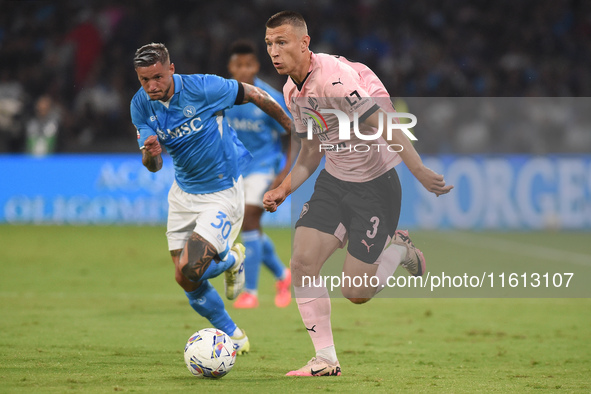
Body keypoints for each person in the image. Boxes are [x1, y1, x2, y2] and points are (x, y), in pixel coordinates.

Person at [262, 11, 453, 376]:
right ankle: (326, 359)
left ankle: (398, 249)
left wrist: (419, 171)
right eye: (270, 43)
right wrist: (284, 188)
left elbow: (385, 125)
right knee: (302, 263)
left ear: (305, 43)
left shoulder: (333, 81)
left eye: (282, 42)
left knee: (356, 293)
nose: (274, 50)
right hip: (334, 182)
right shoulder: (292, 90)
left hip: (375, 187)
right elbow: (311, 151)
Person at [130, 42, 292, 355]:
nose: (152, 86)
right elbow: (154, 167)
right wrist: (150, 155)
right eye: (144, 80)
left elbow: (255, 93)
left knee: (191, 269)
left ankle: (233, 259)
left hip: (221, 192)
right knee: (184, 279)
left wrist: (292, 126)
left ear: (171, 69)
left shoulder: (204, 88)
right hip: (183, 195)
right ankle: (234, 333)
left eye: (158, 77)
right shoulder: (140, 105)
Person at [224, 40, 292, 309]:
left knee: (250, 217)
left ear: (256, 66)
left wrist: (284, 174)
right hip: (235, 168)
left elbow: (293, 135)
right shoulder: (223, 94)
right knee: (248, 226)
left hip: (265, 165)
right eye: (238, 65)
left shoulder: (268, 97)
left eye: (248, 64)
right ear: (231, 67)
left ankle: (250, 291)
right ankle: (282, 274)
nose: (243, 70)